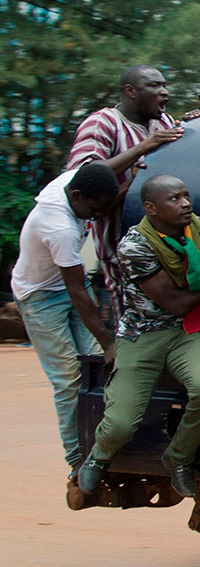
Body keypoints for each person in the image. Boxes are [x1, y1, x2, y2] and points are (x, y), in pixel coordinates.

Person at [77, 176, 200, 498]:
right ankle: (98, 456)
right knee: (120, 424)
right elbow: (176, 302)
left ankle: (178, 458)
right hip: (141, 334)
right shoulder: (135, 246)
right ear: (151, 208)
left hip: (186, 331)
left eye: (186, 195)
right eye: (174, 199)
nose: (186, 203)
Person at [8, 163, 121, 477]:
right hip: (40, 297)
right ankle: (76, 460)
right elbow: (77, 291)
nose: (96, 216)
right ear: (76, 195)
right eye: (93, 209)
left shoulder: (75, 182)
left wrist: (146, 146)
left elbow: (108, 167)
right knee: (69, 378)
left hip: (68, 284)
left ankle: (100, 446)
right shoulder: (59, 226)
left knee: (95, 367)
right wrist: (109, 342)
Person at [66, 65, 184, 311]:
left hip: (167, 247)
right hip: (122, 247)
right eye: (154, 86)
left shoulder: (163, 121)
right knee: (133, 322)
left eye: (164, 85)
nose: (164, 92)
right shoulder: (102, 123)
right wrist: (142, 149)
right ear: (130, 91)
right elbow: (83, 180)